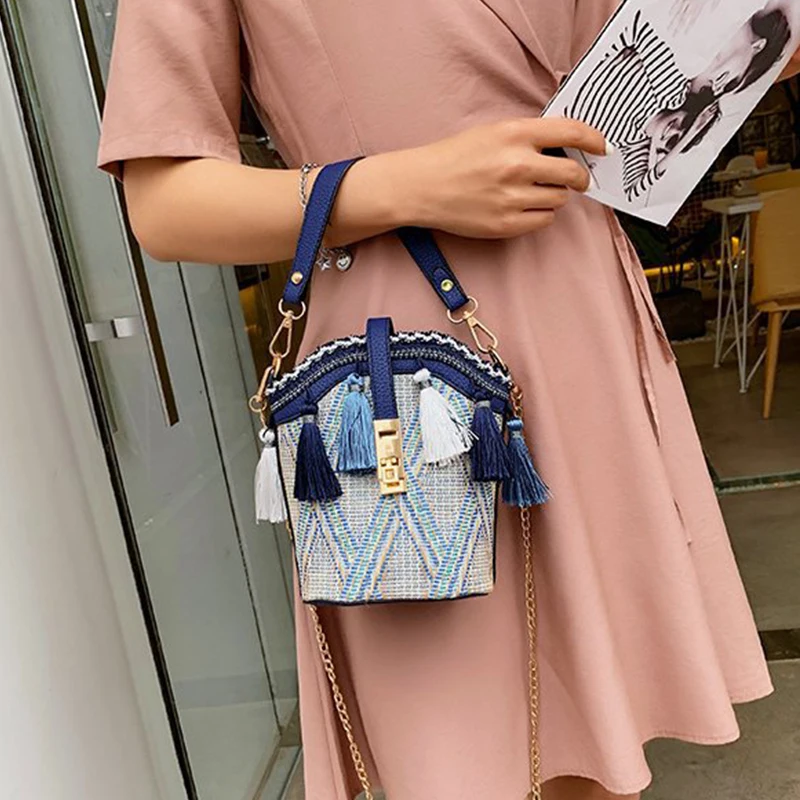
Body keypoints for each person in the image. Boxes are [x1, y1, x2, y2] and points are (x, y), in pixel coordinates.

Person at [98, 2, 797, 798]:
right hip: (415, 377)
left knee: (602, 744)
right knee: (455, 753)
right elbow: (163, 203)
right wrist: (404, 184)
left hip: (586, 331)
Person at [570, 3, 793, 203]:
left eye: (669, 144)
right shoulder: (671, 89)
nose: (672, 133)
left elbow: (632, 190)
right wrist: (596, 65)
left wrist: (683, 141)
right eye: (729, 83)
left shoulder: (634, 143)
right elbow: (635, 29)